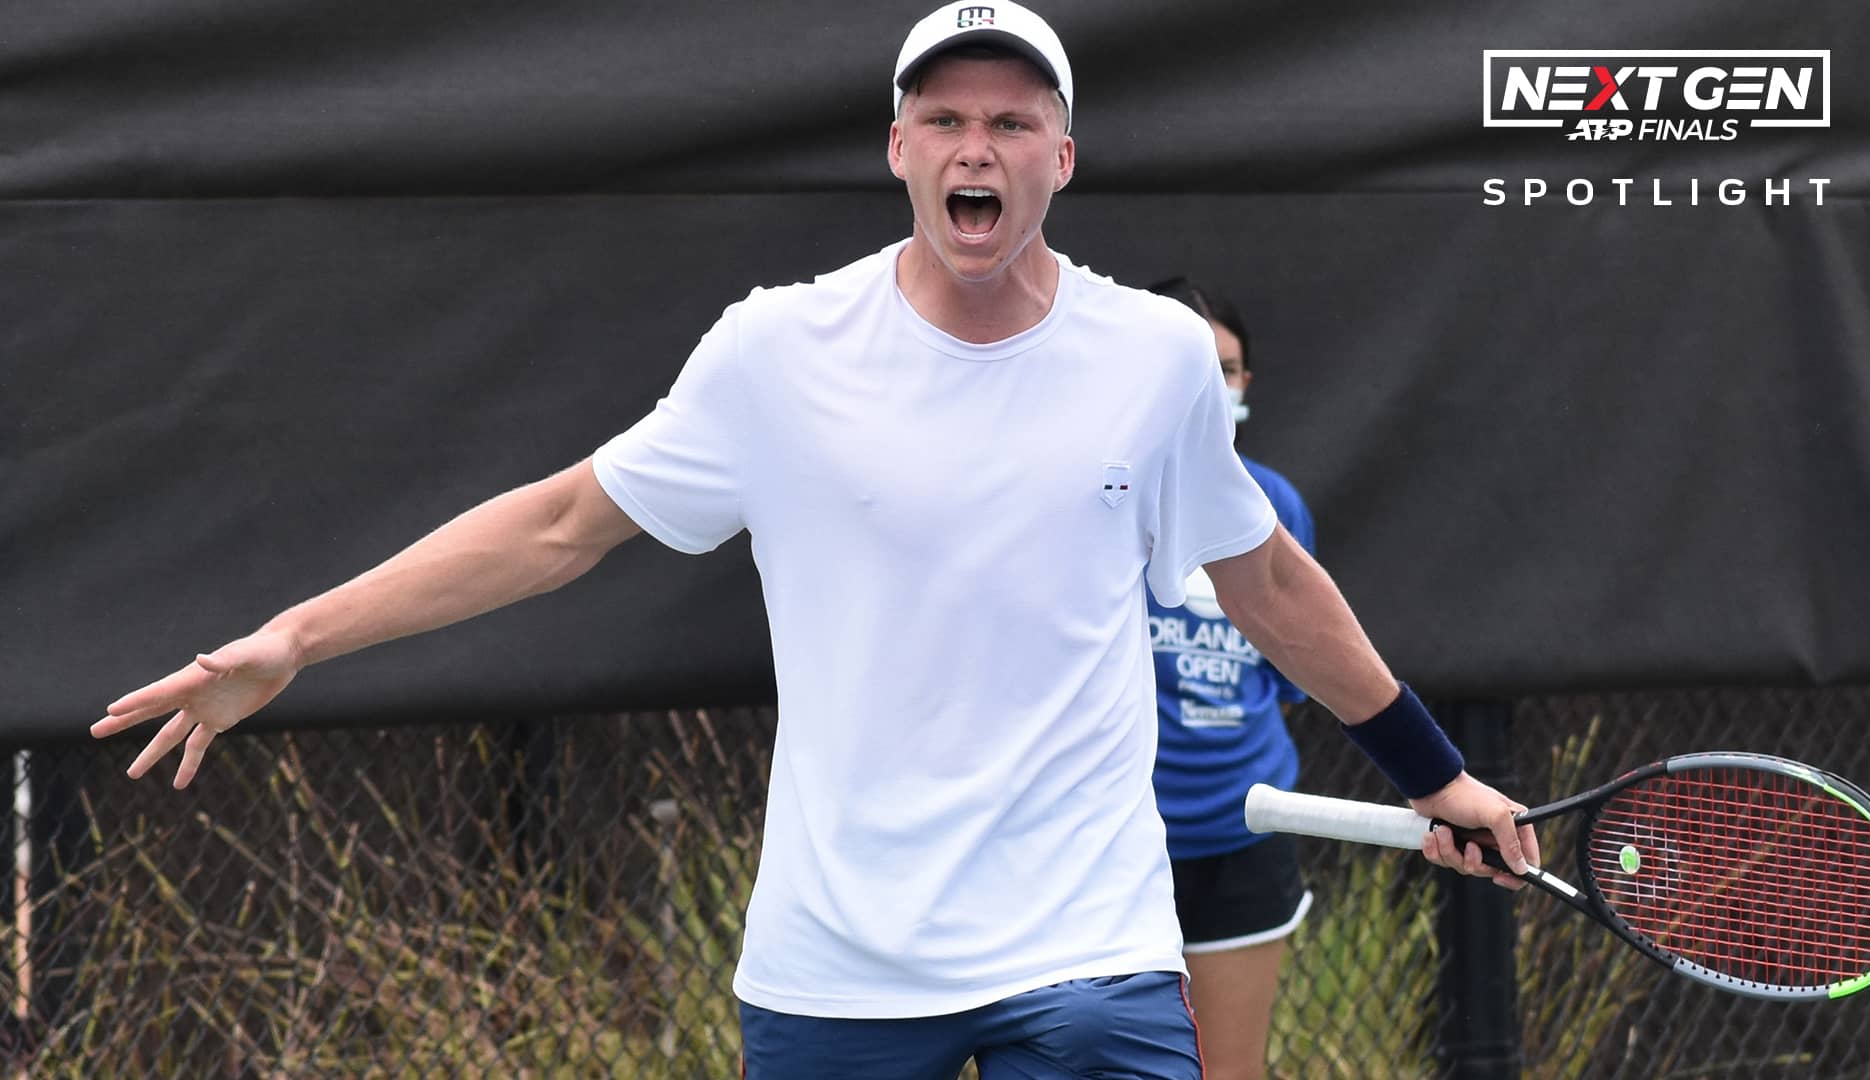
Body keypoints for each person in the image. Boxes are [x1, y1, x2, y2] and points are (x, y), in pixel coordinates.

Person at [90, 4, 1539, 1077]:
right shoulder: (776, 350)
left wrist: (1436, 772)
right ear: (900, 147)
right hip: (836, 963)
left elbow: (1270, 585)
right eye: (949, 120)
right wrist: (293, 638)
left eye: (1013, 122)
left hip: (1087, 953)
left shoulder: (1155, 359)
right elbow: (558, 525)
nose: (979, 148)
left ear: (1062, 158)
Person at [1145, 277, 1315, 1080]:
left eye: (1230, 367)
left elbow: (1284, 681)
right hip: (1107, 847)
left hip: (1242, 845)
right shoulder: (1089, 496)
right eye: (1193, 362)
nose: (1214, 385)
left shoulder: (1277, 506)